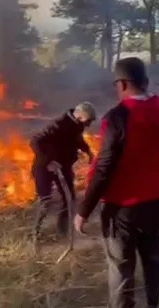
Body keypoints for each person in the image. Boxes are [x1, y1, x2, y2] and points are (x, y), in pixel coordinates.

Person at [75, 57, 159, 308]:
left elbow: (104, 167)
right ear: (146, 81)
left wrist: (83, 211)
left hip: (122, 208)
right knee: (155, 266)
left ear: (122, 84)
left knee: (121, 270)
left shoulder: (117, 116)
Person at [30, 102, 96, 239]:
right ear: (79, 117)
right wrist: (49, 161)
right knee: (45, 200)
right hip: (44, 166)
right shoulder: (58, 125)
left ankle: (62, 233)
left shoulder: (77, 126)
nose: (88, 125)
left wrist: (88, 151)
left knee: (69, 198)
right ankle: (34, 233)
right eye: (88, 121)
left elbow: (77, 139)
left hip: (63, 166)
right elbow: (35, 141)